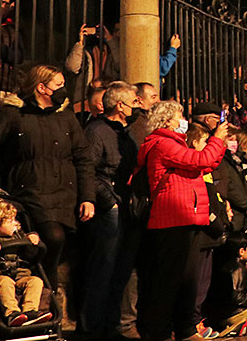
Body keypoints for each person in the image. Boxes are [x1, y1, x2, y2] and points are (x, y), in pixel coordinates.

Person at [0, 64, 96, 294]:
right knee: (51, 237)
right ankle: (44, 293)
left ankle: (44, 297)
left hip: (63, 194)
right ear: (42, 88)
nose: (64, 89)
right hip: (29, 191)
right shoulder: (14, 115)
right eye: (59, 85)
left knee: (54, 245)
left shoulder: (66, 118)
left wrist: (87, 197)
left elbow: (83, 158)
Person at [135, 99, 227, 341]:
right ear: (167, 121)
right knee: (169, 279)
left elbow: (207, 165)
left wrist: (217, 144)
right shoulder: (163, 144)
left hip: (186, 217)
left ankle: (185, 328)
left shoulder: (175, 144)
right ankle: (159, 331)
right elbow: (201, 161)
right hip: (172, 218)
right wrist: (216, 139)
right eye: (179, 117)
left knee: (187, 279)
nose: (183, 121)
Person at [79, 80, 141, 338]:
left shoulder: (125, 133)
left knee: (122, 269)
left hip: (126, 205)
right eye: (132, 102)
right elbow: (88, 169)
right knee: (103, 267)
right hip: (109, 207)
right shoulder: (96, 131)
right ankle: (91, 327)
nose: (136, 106)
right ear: (119, 105)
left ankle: (113, 322)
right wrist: (109, 201)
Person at [0, 199, 49, 327]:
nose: (15, 224)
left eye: (15, 220)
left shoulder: (19, 235)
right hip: (0, 276)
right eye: (10, 221)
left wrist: (32, 237)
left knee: (36, 281)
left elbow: (30, 255)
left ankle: (30, 311)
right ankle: (12, 313)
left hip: (20, 276)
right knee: (5, 282)